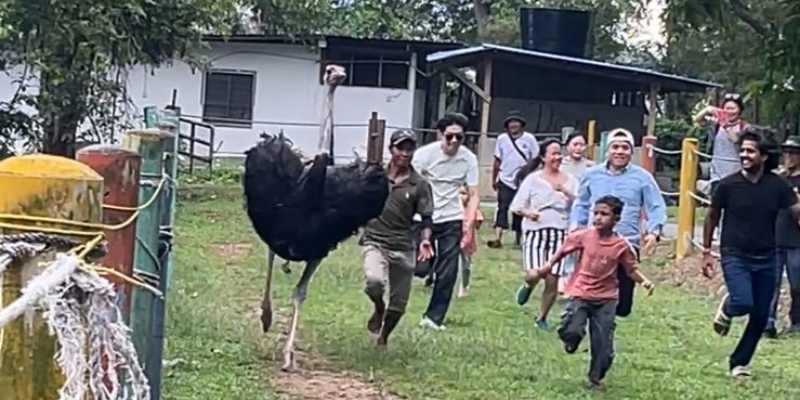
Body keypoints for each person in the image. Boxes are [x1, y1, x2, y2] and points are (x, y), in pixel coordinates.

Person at [523, 195, 655, 390]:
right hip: (581, 293)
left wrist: (644, 281)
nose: (598, 218)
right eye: (596, 213)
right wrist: (546, 267)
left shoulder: (621, 246)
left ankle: (596, 377)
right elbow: (563, 251)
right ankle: (571, 340)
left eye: (604, 214)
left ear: (616, 219)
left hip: (606, 299)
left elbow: (630, 270)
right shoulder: (583, 236)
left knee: (603, 344)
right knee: (572, 328)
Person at [702, 129, 800, 378]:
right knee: (744, 301)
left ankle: (739, 363)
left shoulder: (778, 186)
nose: (744, 155)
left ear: (764, 156)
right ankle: (729, 306)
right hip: (734, 253)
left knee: (760, 315)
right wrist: (706, 251)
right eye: (742, 150)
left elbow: (797, 211)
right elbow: (711, 216)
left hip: (767, 255)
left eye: (750, 151)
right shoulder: (728, 185)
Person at [569, 128, 666, 317]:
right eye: (615, 147)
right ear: (607, 150)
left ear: (631, 151)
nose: (620, 151)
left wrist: (654, 233)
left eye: (625, 147)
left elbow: (656, 206)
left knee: (622, 305)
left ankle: (606, 323)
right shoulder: (592, 175)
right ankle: (586, 325)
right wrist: (576, 230)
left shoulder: (643, 178)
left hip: (626, 245)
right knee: (590, 293)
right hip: (594, 244)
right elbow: (580, 204)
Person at [360, 130, 434, 348]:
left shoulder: (419, 183)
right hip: (375, 240)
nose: (404, 153)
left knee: (399, 304)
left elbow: (427, 217)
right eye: (400, 148)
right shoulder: (375, 175)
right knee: (374, 282)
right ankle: (378, 307)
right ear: (391, 149)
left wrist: (425, 240)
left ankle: (384, 337)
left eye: (409, 149)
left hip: (403, 245)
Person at [412, 113, 480, 330]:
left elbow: (474, 193)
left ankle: (433, 317)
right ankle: (425, 268)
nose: (453, 142)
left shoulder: (468, 159)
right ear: (440, 134)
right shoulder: (424, 155)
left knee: (449, 270)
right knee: (420, 268)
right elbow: (410, 183)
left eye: (459, 138)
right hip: (424, 216)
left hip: (452, 217)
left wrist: (468, 226)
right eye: (449, 136)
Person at [511, 139, 578, 329]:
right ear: (543, 157)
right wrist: (528, 213)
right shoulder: (533, 179)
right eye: (553, 153)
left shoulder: (571, 180)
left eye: (559, 153)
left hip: (560, 232)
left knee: (552, 279)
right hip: (535, 231)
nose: (557, 157)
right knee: (534, 273)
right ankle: (528, 286)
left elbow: (580, 204)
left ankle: (541, 317)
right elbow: (516, 206)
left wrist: (565, 191)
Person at [488, 111, 539, 249]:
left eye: (516, 122)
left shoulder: (529, 139)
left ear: (521, 125)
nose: (513, 125)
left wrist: (527, 172)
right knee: (502, 207)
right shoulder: (502, 139)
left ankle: (519, 238)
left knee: (520, 208)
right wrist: (494, 178)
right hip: (505, 178)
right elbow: (497, 159)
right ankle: (498, 237)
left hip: (523, 180)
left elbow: (536, 158)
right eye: (511, 122)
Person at [766, 136, 800, 337]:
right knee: (771, 282)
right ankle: (768, 322)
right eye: (786, 152)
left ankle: (796, 320)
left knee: (797, 283)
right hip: (774, 236)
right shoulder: (778, 179)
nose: (789, 156)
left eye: (793, 153)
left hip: (796, 240)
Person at [559, 131, 595, 291]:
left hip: (582, 212)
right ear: (567, 146)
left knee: (581, 245)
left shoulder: (591, 167)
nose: (579, 148)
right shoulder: (560, 164)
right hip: (561, 210)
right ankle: (563, 277)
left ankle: (577, 280)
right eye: (575, 144)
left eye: (582, 145)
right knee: (564, 244)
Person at [693, 93, 749, 194]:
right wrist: (708, 109)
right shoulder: (716, 124)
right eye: (727, 108)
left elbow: (737, 140)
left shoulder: (745, 127)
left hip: (737, 174)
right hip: (717, 174)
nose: (729, 112)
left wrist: (726, 125)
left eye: (733, 109)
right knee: (716, 204)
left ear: (740, 110)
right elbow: (697, 120)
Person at [458, 185, 485, 298]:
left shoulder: (472, 209)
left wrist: (474, 222)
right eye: (459, 193)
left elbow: (479, 222)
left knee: (466, 265)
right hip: (455, 239)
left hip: (468, 242)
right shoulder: (454, 208)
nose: (461, 197)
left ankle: (465, 285)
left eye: (464, 194)